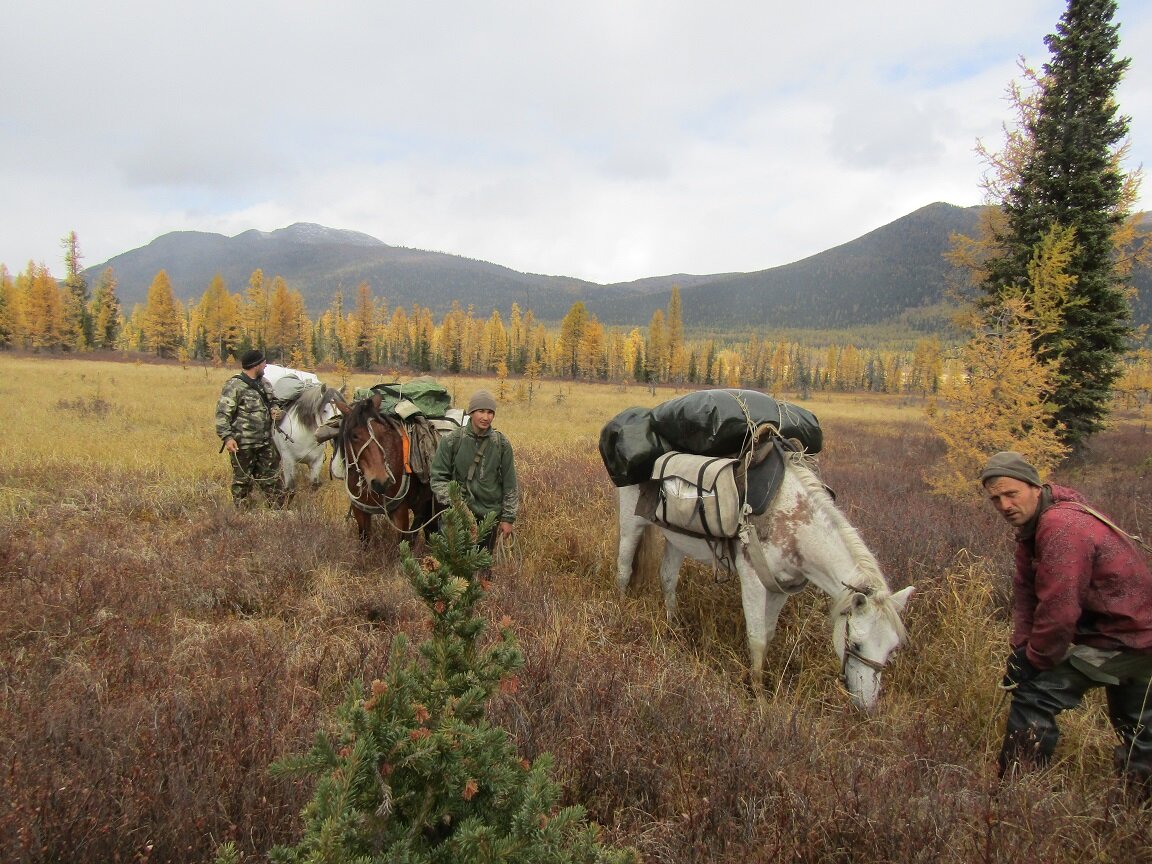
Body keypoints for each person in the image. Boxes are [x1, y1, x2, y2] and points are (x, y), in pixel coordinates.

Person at [980, 451, 1152, 794]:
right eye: (996, 498)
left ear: (1034, 486)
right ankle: (1138, 806)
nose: (1004, 504)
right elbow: (1027, 595)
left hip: (1124, 637)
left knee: (1034, 696)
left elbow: (1060, 607)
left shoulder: (1061, 527)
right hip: (1134, 634)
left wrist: (1035, 660)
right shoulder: (1039, 523)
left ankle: (1018, 793)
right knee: (1138, 726)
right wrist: (1021, 649)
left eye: (1011, 493)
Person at [429, 389, 518, 557]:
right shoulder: (452, 441)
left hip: (489, 516)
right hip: (456, 515)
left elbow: (510, 484)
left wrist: (508, 518)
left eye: (490, 412)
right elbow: (437, 478)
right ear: (471, 412)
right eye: (481, 411)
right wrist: (456, 503)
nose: (486, 417)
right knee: (452, 565)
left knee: (483, 566)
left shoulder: (501, 444)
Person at [214, 349, 285, 509]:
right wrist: (227, 438)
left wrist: (275, 409)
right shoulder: (234, 386)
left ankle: (278, 517)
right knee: (242, 483)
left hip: (265, 443)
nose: (266, 365)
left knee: (273, 481)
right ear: (256, 365)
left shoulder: (265, 383)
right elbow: (222, 414)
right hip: (242, 445)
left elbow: (274, 401)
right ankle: (243, 518)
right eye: (263, 363)